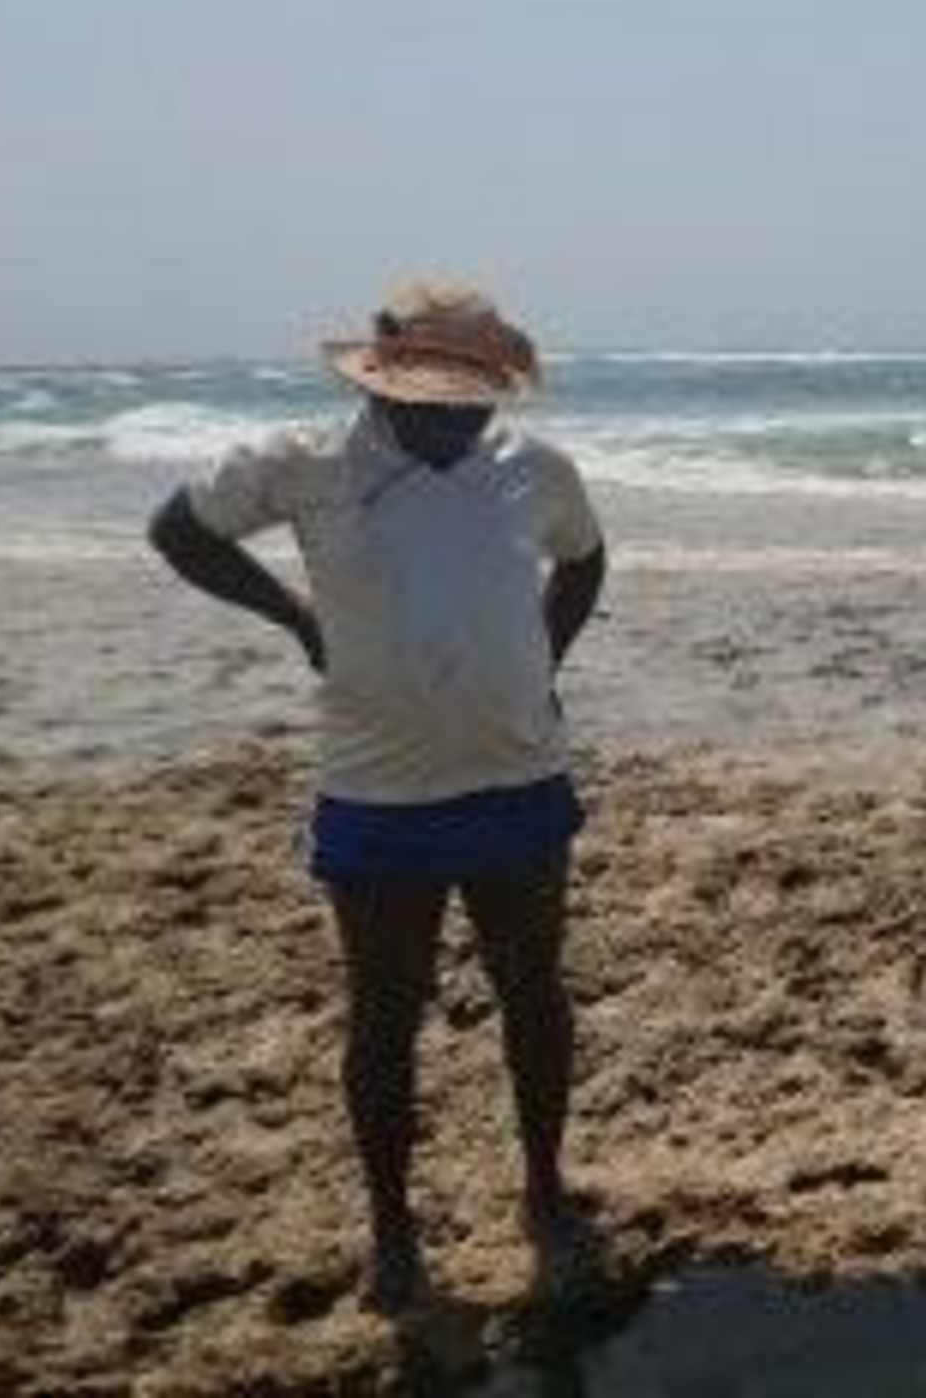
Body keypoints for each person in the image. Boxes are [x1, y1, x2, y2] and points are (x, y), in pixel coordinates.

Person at [147, 280, 609, 1312]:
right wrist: (297, 617)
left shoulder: (535, 469)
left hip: (518, 775)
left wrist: (543, 664)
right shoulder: (302, 465)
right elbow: (179, 531)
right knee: (385, 1015)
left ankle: (544, 1189)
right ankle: (394, 1231)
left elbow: (584, 561)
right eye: (434, 404)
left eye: (471, 403)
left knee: (534, 991)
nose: (455, 422)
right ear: (381, 383)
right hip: (380, 790)